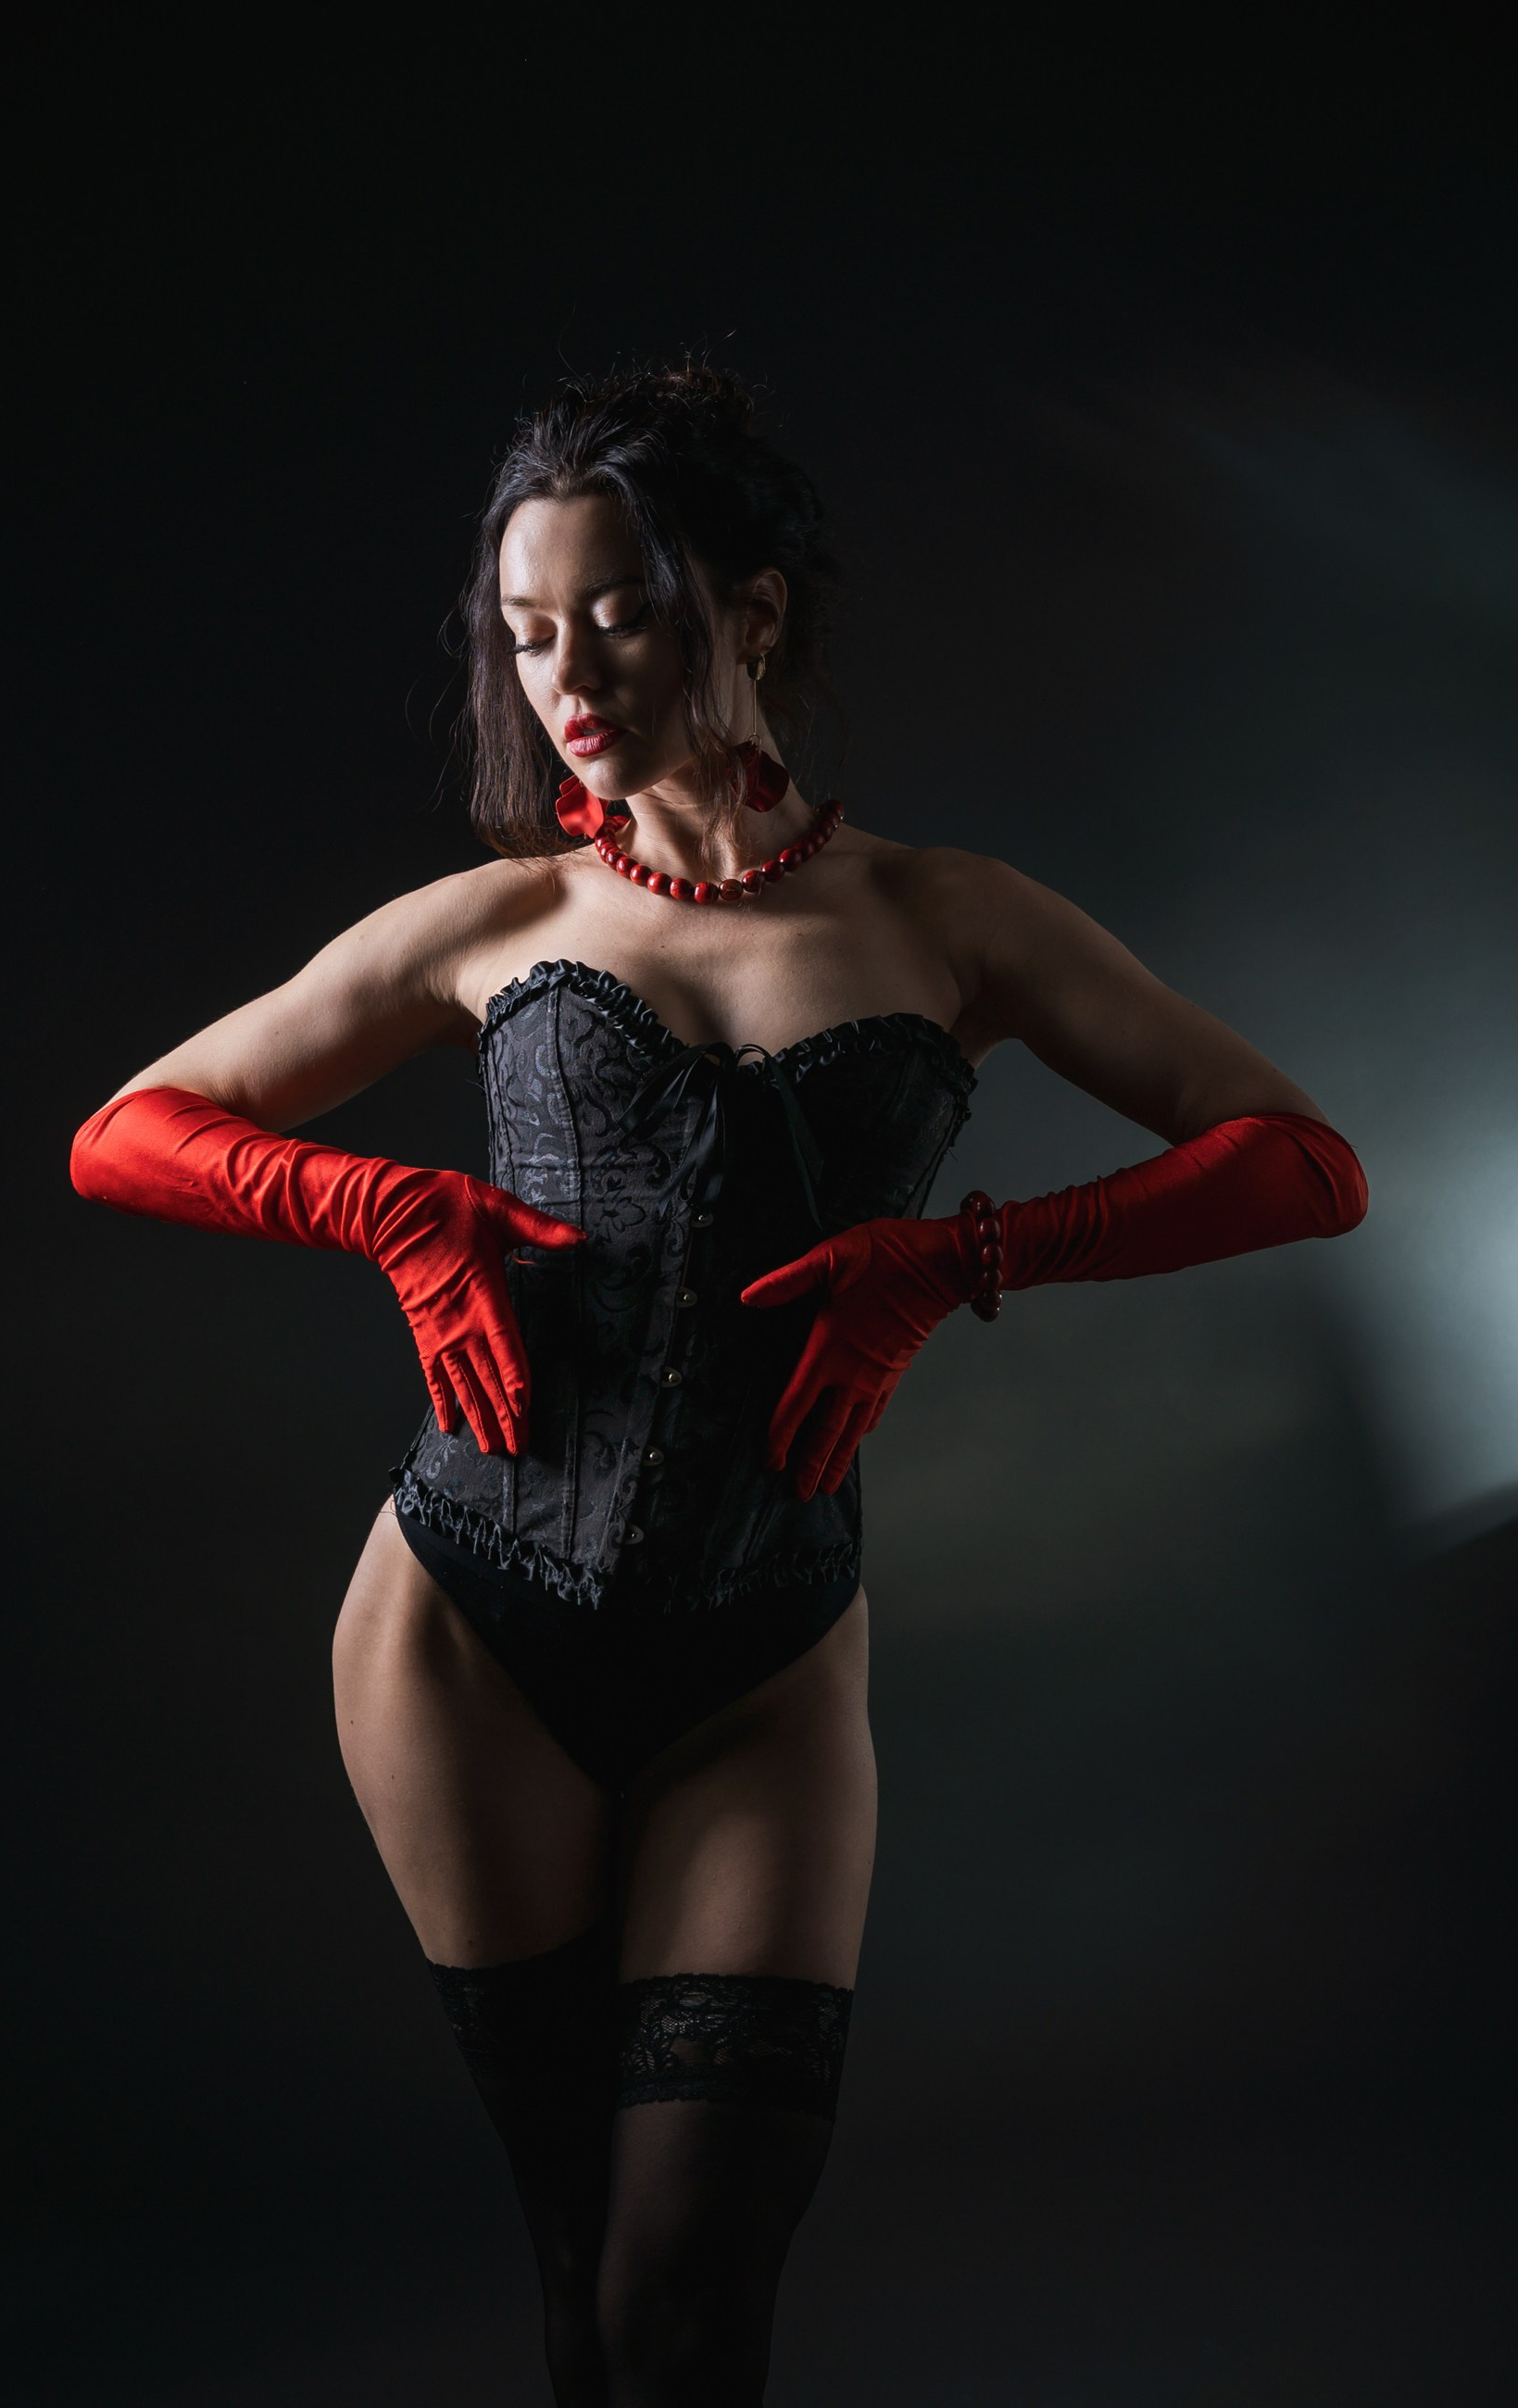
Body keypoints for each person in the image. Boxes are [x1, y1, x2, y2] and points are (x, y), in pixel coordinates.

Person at [69, 363, 1368, 2405]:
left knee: (689, 2289)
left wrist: (965, 1257)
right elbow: (128, 1132)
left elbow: (1299, 1162)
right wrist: (390, 1210)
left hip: (765, 1653)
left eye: (618, 616)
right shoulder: (501, 918)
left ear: (749, 610)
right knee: (584, 2268)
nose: (567, 680)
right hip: (467, 1628)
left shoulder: (946, 917)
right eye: (527, 633)